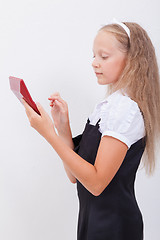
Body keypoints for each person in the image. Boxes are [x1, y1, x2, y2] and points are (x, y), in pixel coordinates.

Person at [22, 19, 160, 240]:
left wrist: (47, 133)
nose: (95, 63)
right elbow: (75, 176)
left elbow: (96, 184)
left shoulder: (125, 110)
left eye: (103, 56)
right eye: (94, 56)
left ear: (132, 60)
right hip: (92, 222)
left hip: (114, 227)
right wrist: (62, 127)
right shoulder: (108, 107)